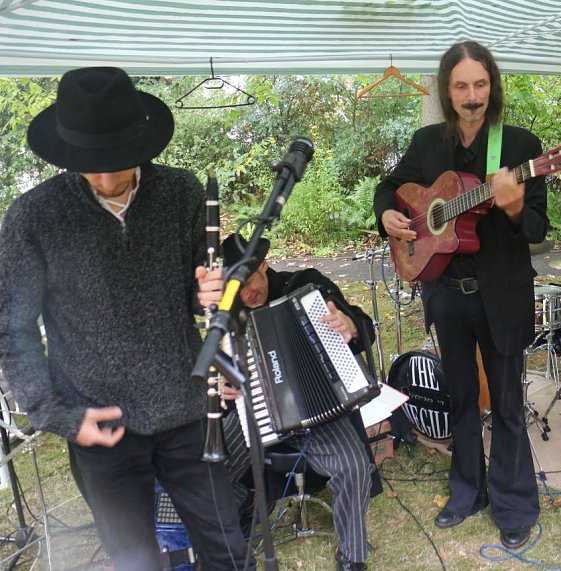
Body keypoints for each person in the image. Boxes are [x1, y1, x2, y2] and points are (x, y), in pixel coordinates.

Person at [0, 67, 251, 569]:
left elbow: (194, 294)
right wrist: (58, 415)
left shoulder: (182, 193)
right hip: (97, 421)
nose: (106, 178)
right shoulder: (33, 216)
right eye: (90, 165)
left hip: (185, 408)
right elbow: (12, 329)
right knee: (135, 561)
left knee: (228, 549)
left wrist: (210, 291)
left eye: (116, 162)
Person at [372, 40, 546, 550]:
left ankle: (514, 504)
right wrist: (387, 213)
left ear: (493, 86)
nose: (472, 96)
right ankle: (467, 491)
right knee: (461, 398)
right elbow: (390, 187)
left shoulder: (520, 145)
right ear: (446, 92)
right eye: (462, 86)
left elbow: (537, 228)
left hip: (502, 296)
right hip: (445, 293)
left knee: (507, 403)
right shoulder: (427, 143)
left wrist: (513, 206)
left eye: (481, 84)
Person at [196, 233, 380, 571]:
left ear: (264, 266)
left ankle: (352, 556)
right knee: (209, 466)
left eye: (249, 282)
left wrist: (350, 326)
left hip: (316, 413)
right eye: (236, 289)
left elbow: (364, 327)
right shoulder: (226, 312)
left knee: (353, 467)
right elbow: (211, 365)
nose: (247, 295)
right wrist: (219, 382)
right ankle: (245, 511)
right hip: (252, 410)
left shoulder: (306, 286)